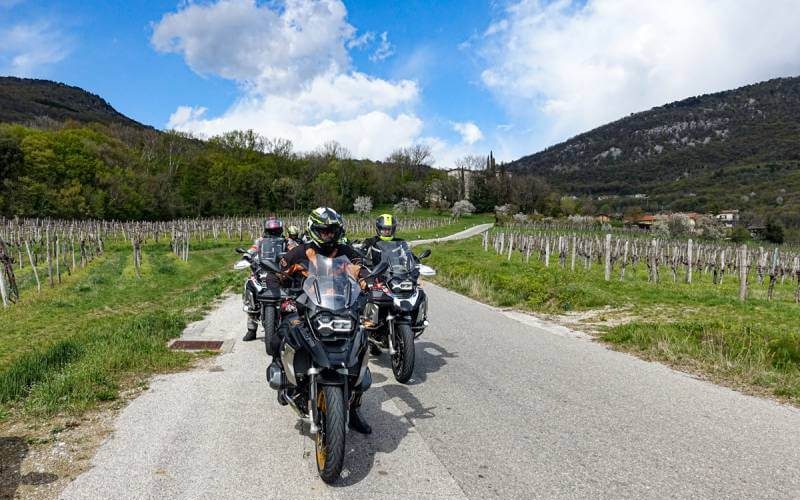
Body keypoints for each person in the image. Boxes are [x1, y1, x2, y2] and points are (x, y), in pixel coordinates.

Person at [269, 207, 373, 434]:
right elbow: (278, 272)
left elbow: (362, 268)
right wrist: (277, 290)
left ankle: (354, 408)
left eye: (331, 231)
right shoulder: (299, 252)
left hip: (341, 308)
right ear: (313, 229)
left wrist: (370, 284)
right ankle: (285, 379)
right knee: (280, 335)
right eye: (322, 231)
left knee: (360, 344)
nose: (327, 235)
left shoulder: (346, 251)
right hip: (307, 305)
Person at [242, 216, 285, 342]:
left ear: (280, 230)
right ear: (266, 230)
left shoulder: (285, 241)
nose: (274, 233)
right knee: (250, 285)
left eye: (276, 231)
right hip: (262, 269)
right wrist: (247, 255)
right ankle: (251, 329)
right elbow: (253, 249)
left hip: (279, 271)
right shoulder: (260, 241)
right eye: (271, 231)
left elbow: (294, 249)